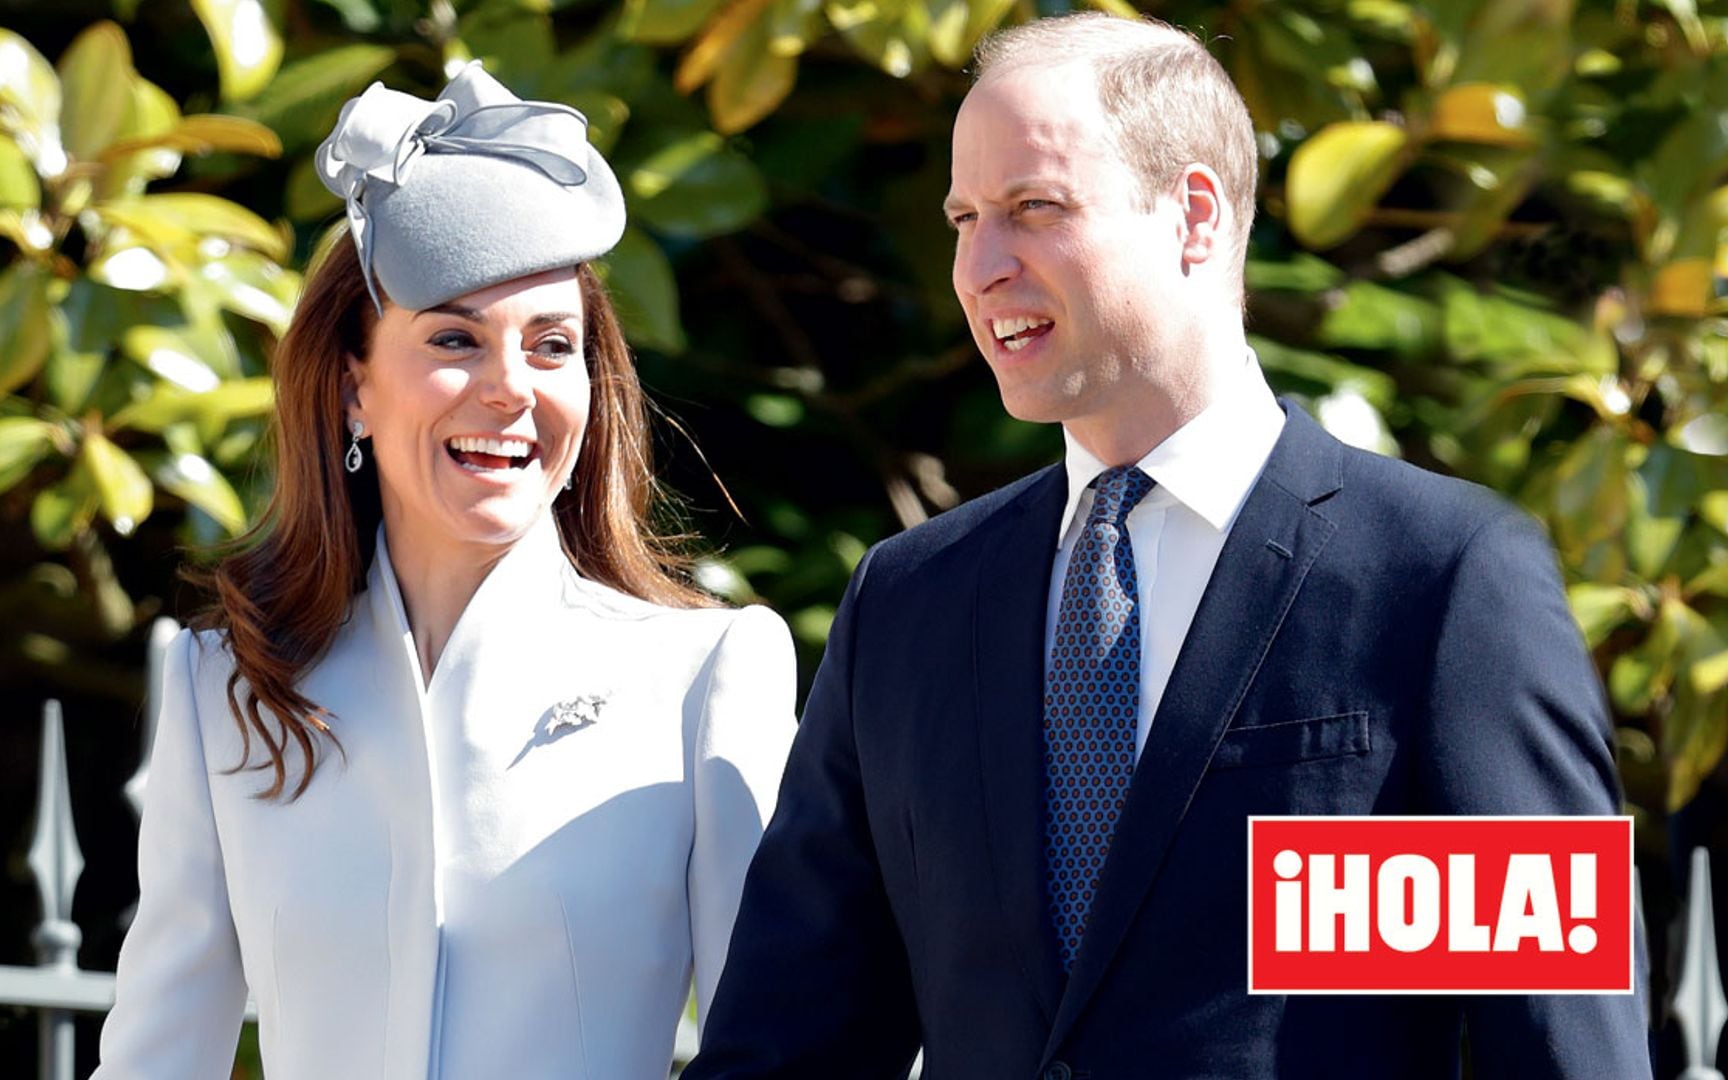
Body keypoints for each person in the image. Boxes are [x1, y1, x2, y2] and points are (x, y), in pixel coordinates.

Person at [684, 13, 1651, 1080]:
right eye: (964, 219)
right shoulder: (908, 602)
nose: (979, 266)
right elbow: (787, 1047)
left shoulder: (1444, 578)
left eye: (1032, 209)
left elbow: (1565, 1049)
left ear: (1194, 215)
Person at [94, 63, 796, 1080]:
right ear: (352, 390)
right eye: (456, 339)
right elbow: (157, 1055)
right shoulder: (224, 685)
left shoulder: (705, 673)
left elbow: (775, 1047)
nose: (511, 389)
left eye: (553, 346)